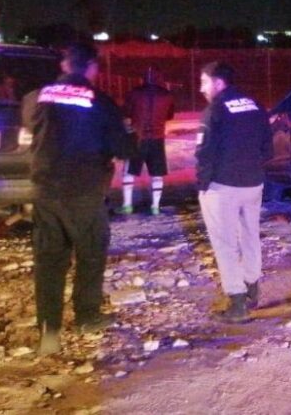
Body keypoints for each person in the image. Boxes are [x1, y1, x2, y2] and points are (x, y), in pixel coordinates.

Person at [22, 42, 133, 355]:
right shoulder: (100, 102)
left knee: (49, 261)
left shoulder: (36, 97)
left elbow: (31, 125)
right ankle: (87, 317)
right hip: (84, 193)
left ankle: (49, 331)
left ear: (64, 66)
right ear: (92, 68)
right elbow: (122, 148)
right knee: (91, 254)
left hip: (45, 192)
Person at [195, 61, 272, 323]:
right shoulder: (255, 105)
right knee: (250, 236)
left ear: (218, 83)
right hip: (253, 184)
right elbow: (267, 147)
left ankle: (237, 303)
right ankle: (252, 288)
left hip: (222, 187)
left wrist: (204, 185)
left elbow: (204, 153)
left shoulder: (214, 110)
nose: (201, 88)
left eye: (204, 82)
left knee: (225, 243)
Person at [120, 67, 176, 215]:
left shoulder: (135, 93)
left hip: (138, 138)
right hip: (157, 138)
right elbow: (170, 116)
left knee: (128, 172)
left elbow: (126, 112)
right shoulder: (167, 95)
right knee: (157, 174)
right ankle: (155, 207)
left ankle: (127, 205)